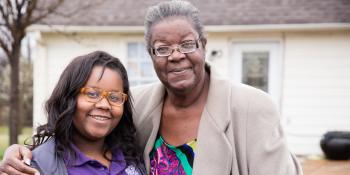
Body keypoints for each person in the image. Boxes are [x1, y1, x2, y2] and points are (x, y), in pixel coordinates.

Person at [0, 1, 303, 175]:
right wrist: (22, 153)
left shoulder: (251, 106)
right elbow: (79, 129)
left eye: (187, 44)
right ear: (151, 56)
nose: (176, 56)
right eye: (162, 48)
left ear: (203, 46)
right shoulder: (138, 103)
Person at [2, 51, 145, 175]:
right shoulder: (35, 166)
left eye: (114, 97)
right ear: (69, 98)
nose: (104, 105)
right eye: (92, 94)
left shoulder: (133, 153)